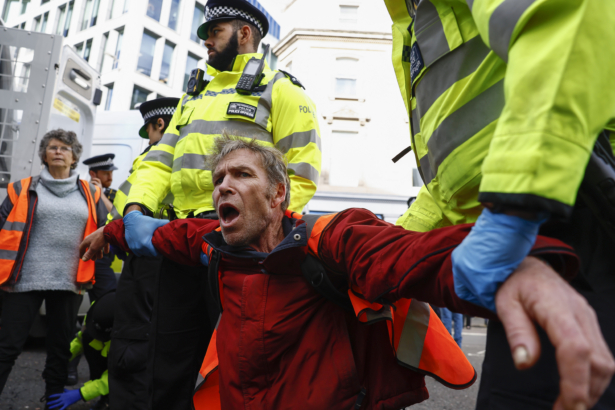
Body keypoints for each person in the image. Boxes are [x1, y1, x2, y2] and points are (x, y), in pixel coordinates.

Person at [80, 135, 612, 410]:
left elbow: (395, 254)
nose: (223, 186)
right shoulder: (216, 242)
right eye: (219, 177)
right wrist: (115, 230)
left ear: (277, 195)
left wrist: (512, 269)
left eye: (241, 174)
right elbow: (162, 236)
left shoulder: (326, 237)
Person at [382, 0, 615, 408]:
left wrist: (513, 208)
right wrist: (395, 244)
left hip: (574, 208)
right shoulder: (411, 18)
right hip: (525, 222)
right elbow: (451, 175)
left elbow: (567, 15)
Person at [121, 1, 322, 408]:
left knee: (241, 365)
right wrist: (135, 210)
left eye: (215, 31)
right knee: (169, 363)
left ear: (244, 33)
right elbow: (160, 160)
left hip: (238, 246)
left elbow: (299, 175)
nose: (207, 41)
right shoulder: (192, 97)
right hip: (180, 241)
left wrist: (259, 234)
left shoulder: (282, 90)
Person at [0, 129, 107, 408]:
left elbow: (107, 232)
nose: (58, 151)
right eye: (52, 147)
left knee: (60, 350)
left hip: (70, 281)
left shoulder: (91, 193)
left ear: (74, 158)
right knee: (7, 347)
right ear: (44, 156)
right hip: (23, 280)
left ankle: (53, 402)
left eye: (65, 148)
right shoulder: (22, 188)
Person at [106, 97, 178, 410]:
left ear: (159, 124)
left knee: (133, 348)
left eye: (148, 130)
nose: (147, 137)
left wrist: (109, 231)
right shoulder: (194, 157)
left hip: (148, 259)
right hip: (174, 257)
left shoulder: (155, 159)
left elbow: (125, 208)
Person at [48, 291, 115, 410]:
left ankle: (113, 400)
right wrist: (60, 361)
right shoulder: (97, 309)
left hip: (142, 380)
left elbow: (120, 375)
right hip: (112, 338)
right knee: (88, 337)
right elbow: (80, 339)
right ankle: (106, 396)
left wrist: (82, 393)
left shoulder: (135, 334)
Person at [83, 153, 119, 301]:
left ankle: (92, 324)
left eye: (111, 173)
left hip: (104, 257)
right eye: (106, 173)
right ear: (93, 174)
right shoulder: (82, 192)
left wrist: (101, 194)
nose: (110, 177)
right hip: (87, 255)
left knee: (105, 296)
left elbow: (117, 217)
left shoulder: (112, 194)